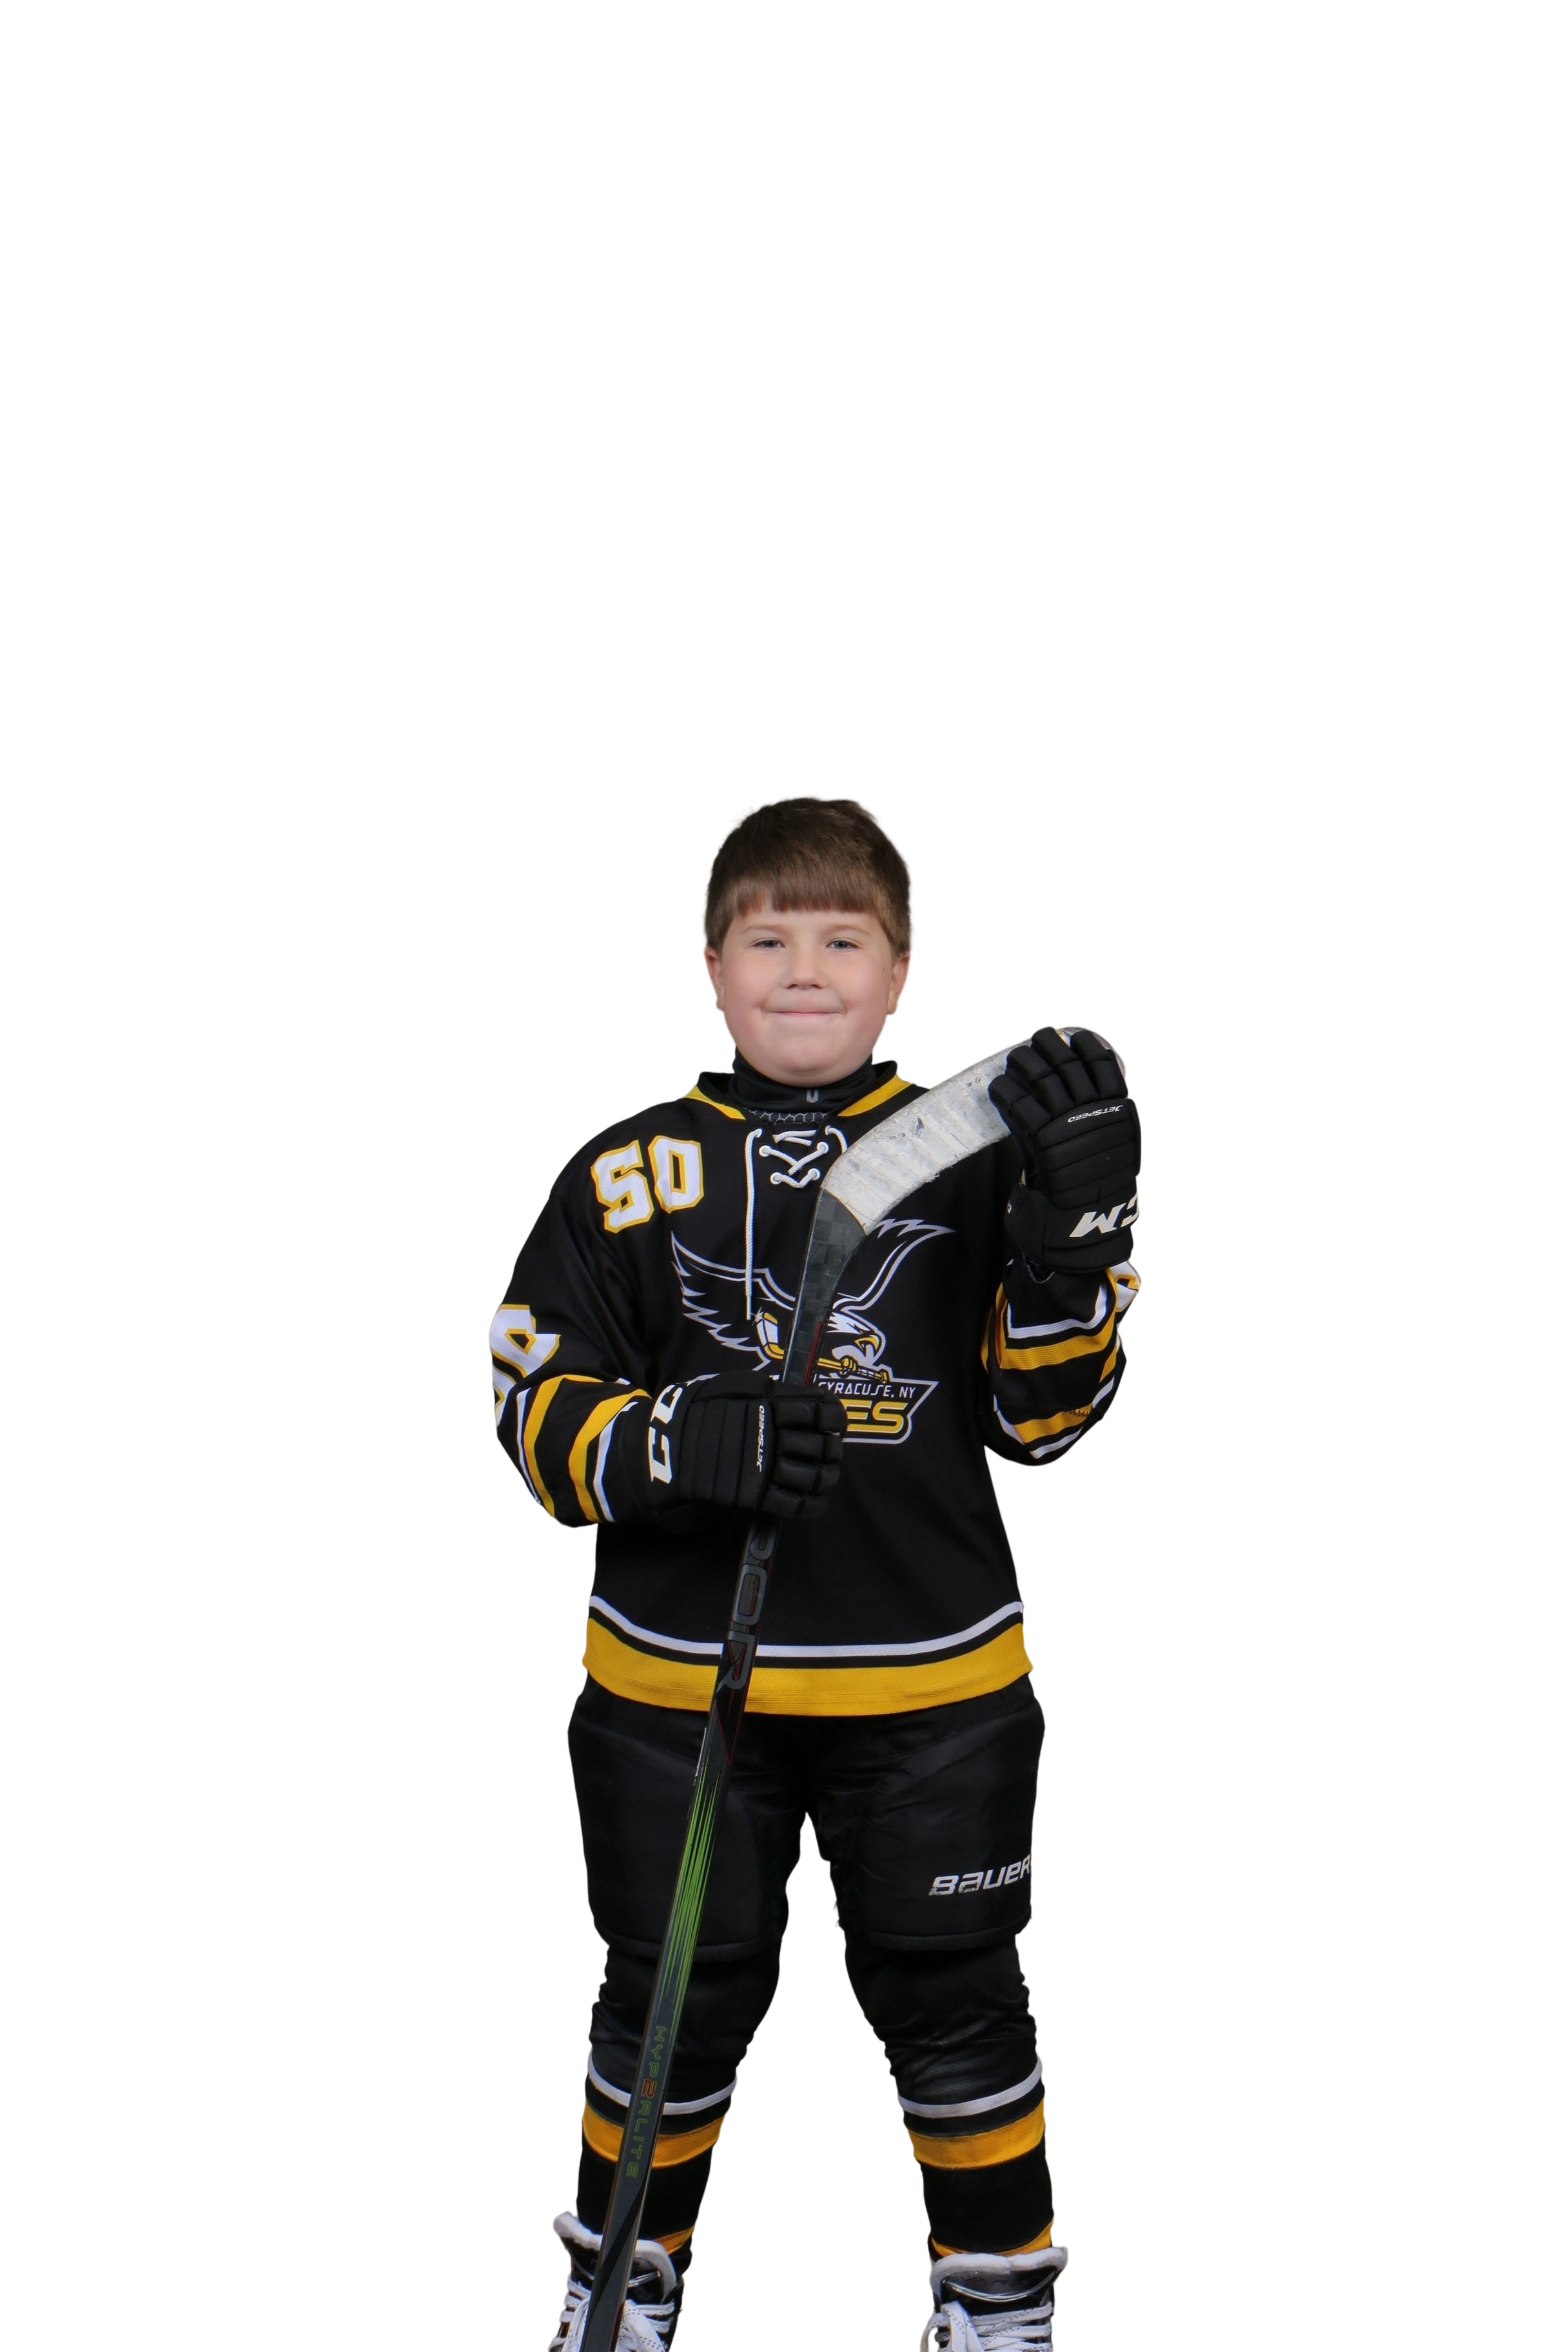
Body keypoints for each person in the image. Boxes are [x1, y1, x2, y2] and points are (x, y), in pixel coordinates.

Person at [487, 794, 1144, 2352]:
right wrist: (671, 1445)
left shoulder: (985, 1153)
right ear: (710, 966)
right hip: (672, 1696)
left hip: (937, 1688)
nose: (803, 970)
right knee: (672, 2001)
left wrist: (1078, 1236)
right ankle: (620, 2290)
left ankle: (998, 2302)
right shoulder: (622, 1171)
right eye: (766, 938)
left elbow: (1043, 1420)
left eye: (842, 940)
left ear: (901, 970)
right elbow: (528, 1409)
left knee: (955, 2002)